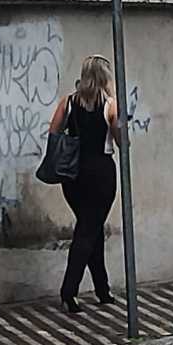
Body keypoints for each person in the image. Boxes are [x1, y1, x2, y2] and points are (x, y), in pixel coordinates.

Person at [50, 55, 124, 315]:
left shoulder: (68, 103)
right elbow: (122, 141)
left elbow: (53, 132)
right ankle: (68, 291)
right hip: (101, 173)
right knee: (87, 231)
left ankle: (102, 289)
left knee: (91, 227)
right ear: (105, 77)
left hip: (72, 174)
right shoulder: (110, 106)